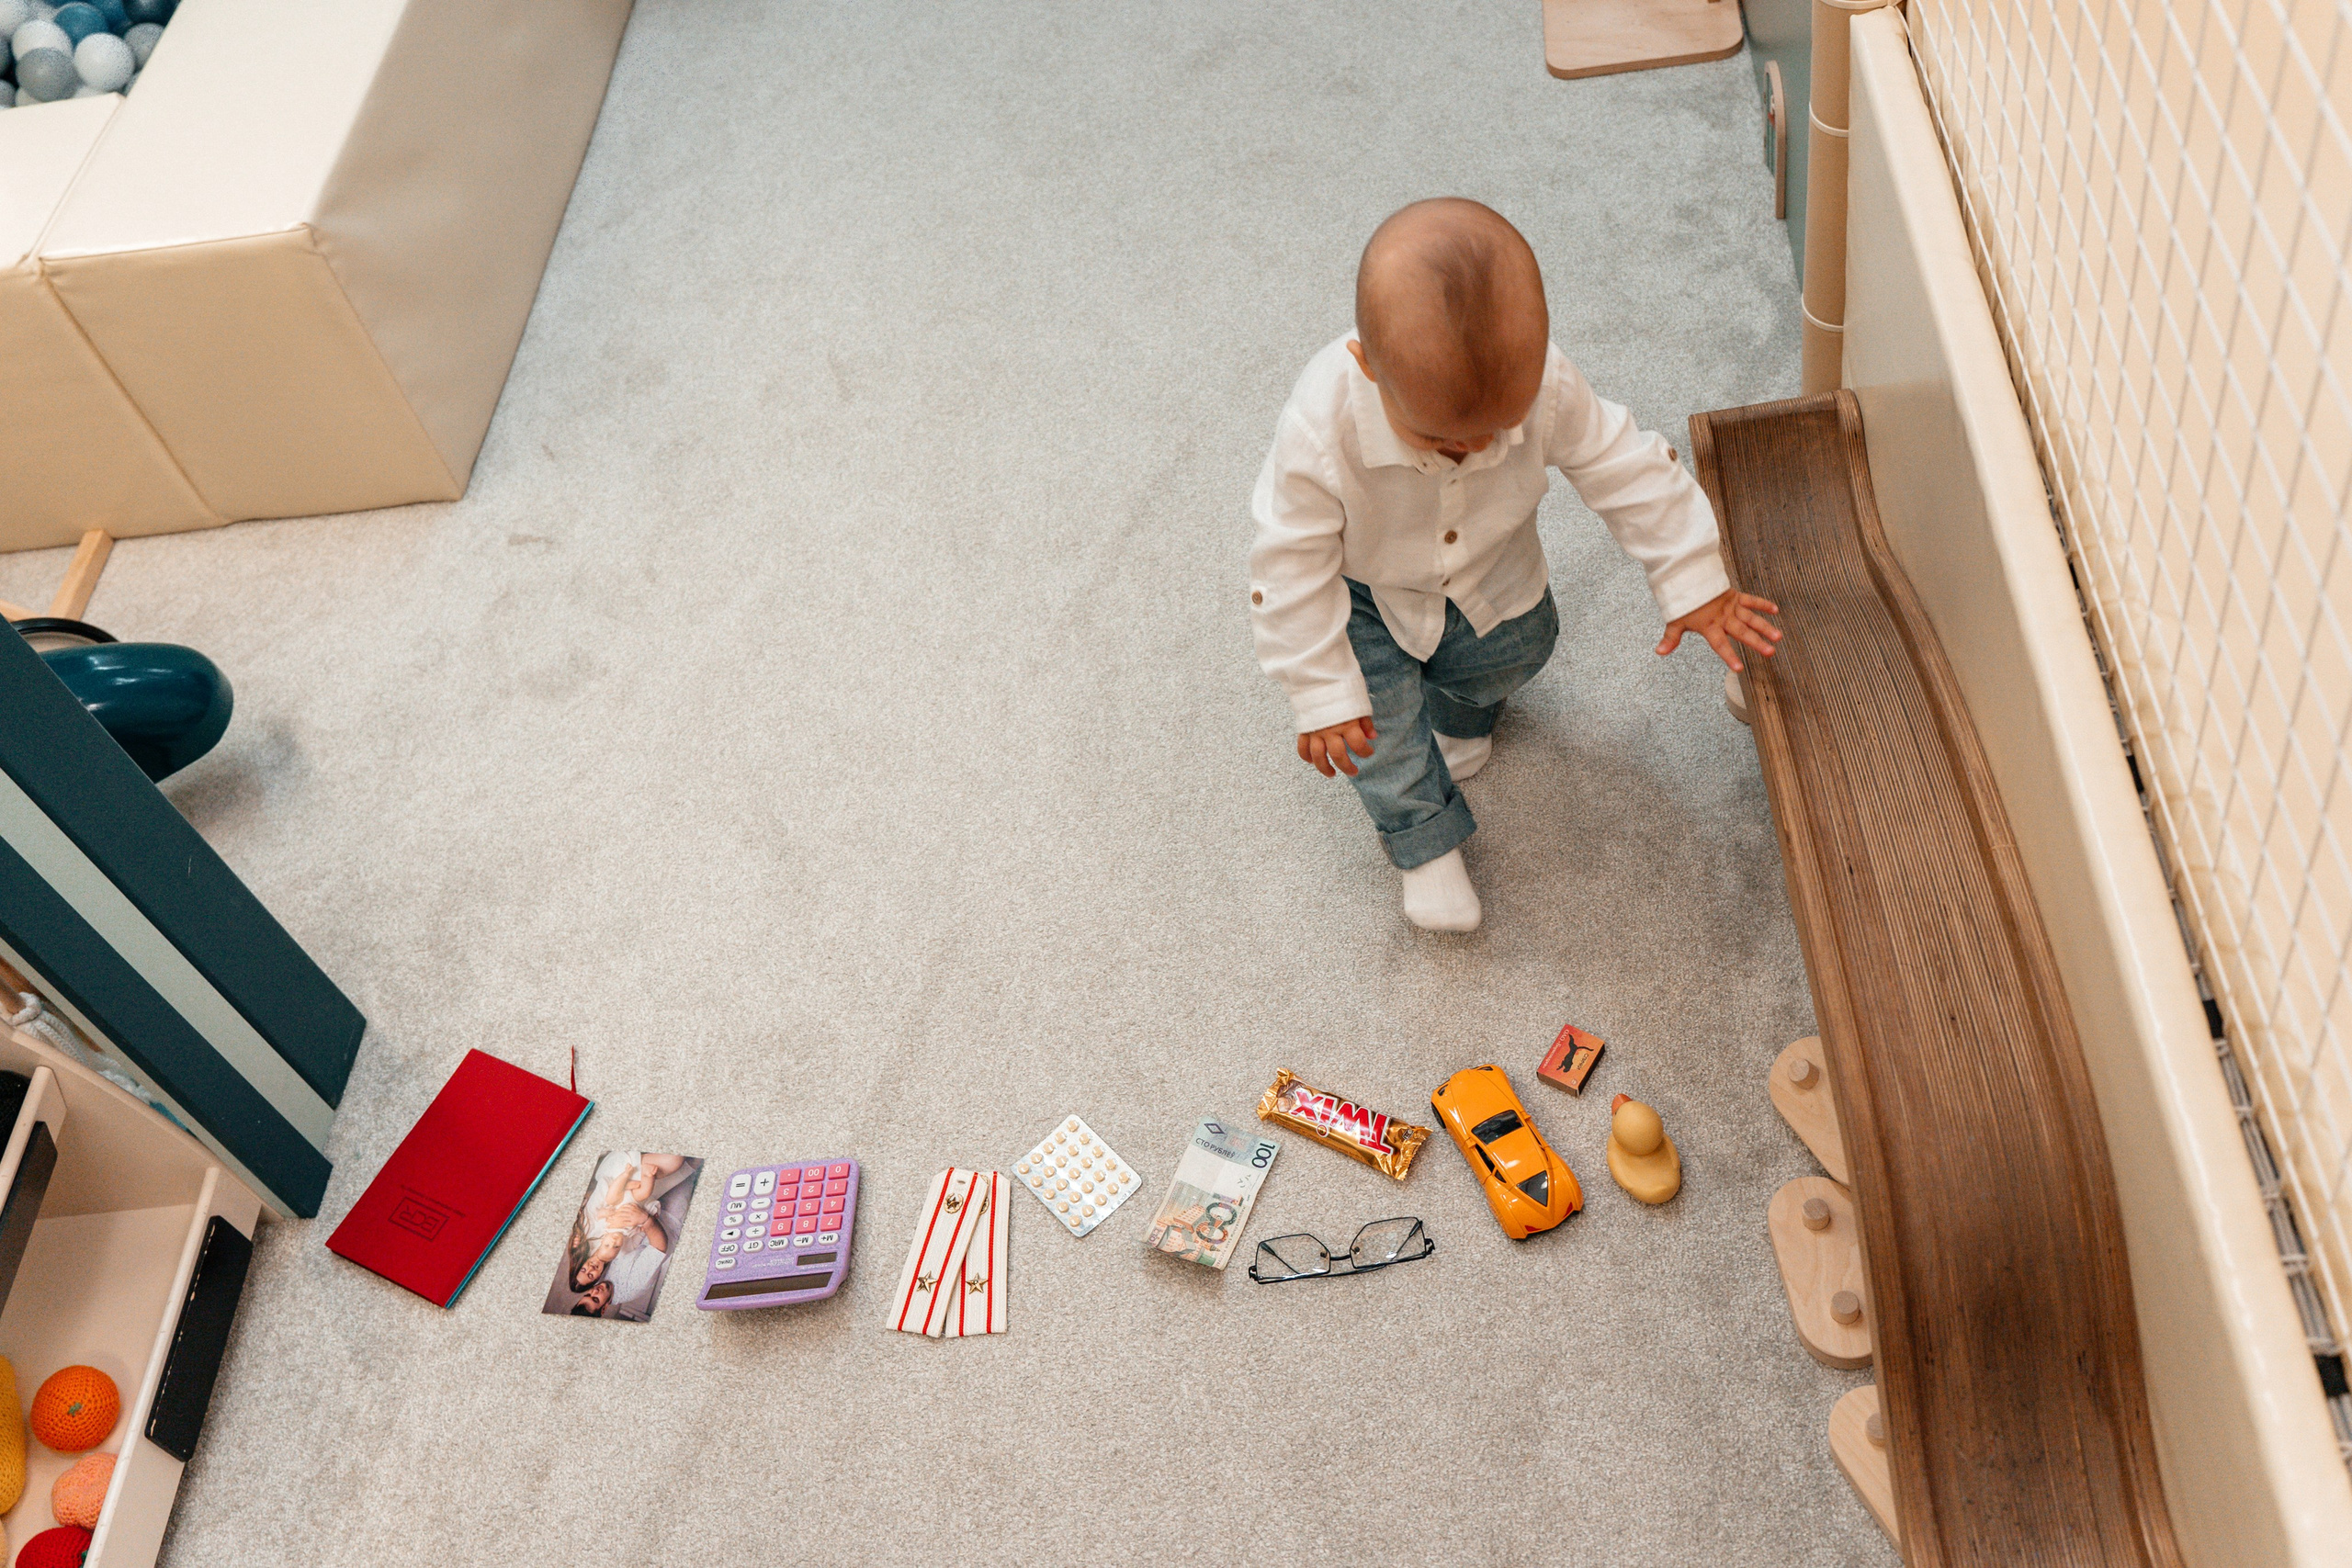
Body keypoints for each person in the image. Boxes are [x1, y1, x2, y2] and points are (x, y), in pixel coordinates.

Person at [1248, 197, 1781, 931]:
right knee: (1376, 726)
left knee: (1525, 644)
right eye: (1438, 436)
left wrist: (1693, 580)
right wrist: (1318, 689)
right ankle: (1422, 842)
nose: (1470, 451)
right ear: (1367, 368)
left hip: (1489, 572)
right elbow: (1287, 569)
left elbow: (1625, 465)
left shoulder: (1548, 385)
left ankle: (1462, 716)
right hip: (1363, 593)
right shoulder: (1318, 428)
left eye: (1497, 430)